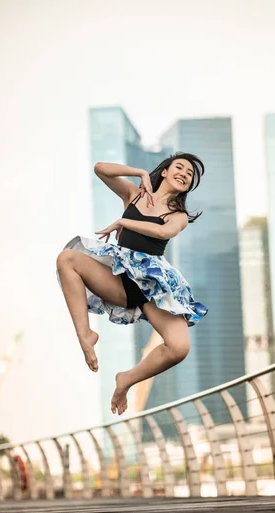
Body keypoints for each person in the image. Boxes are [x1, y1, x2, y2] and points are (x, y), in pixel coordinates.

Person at [56, 152, 208, 416]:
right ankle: (85, 335)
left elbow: (162, 232)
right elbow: (100, 168)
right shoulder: (133, 194)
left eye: (189, 175)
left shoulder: (179, 215)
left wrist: (123, 221)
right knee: (67, 259)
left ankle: (126, 379)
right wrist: (138, 173)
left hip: (152, 286)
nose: (184, 174)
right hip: (119, 277)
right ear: (164, 172)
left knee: (179, 347)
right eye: (179, 168)